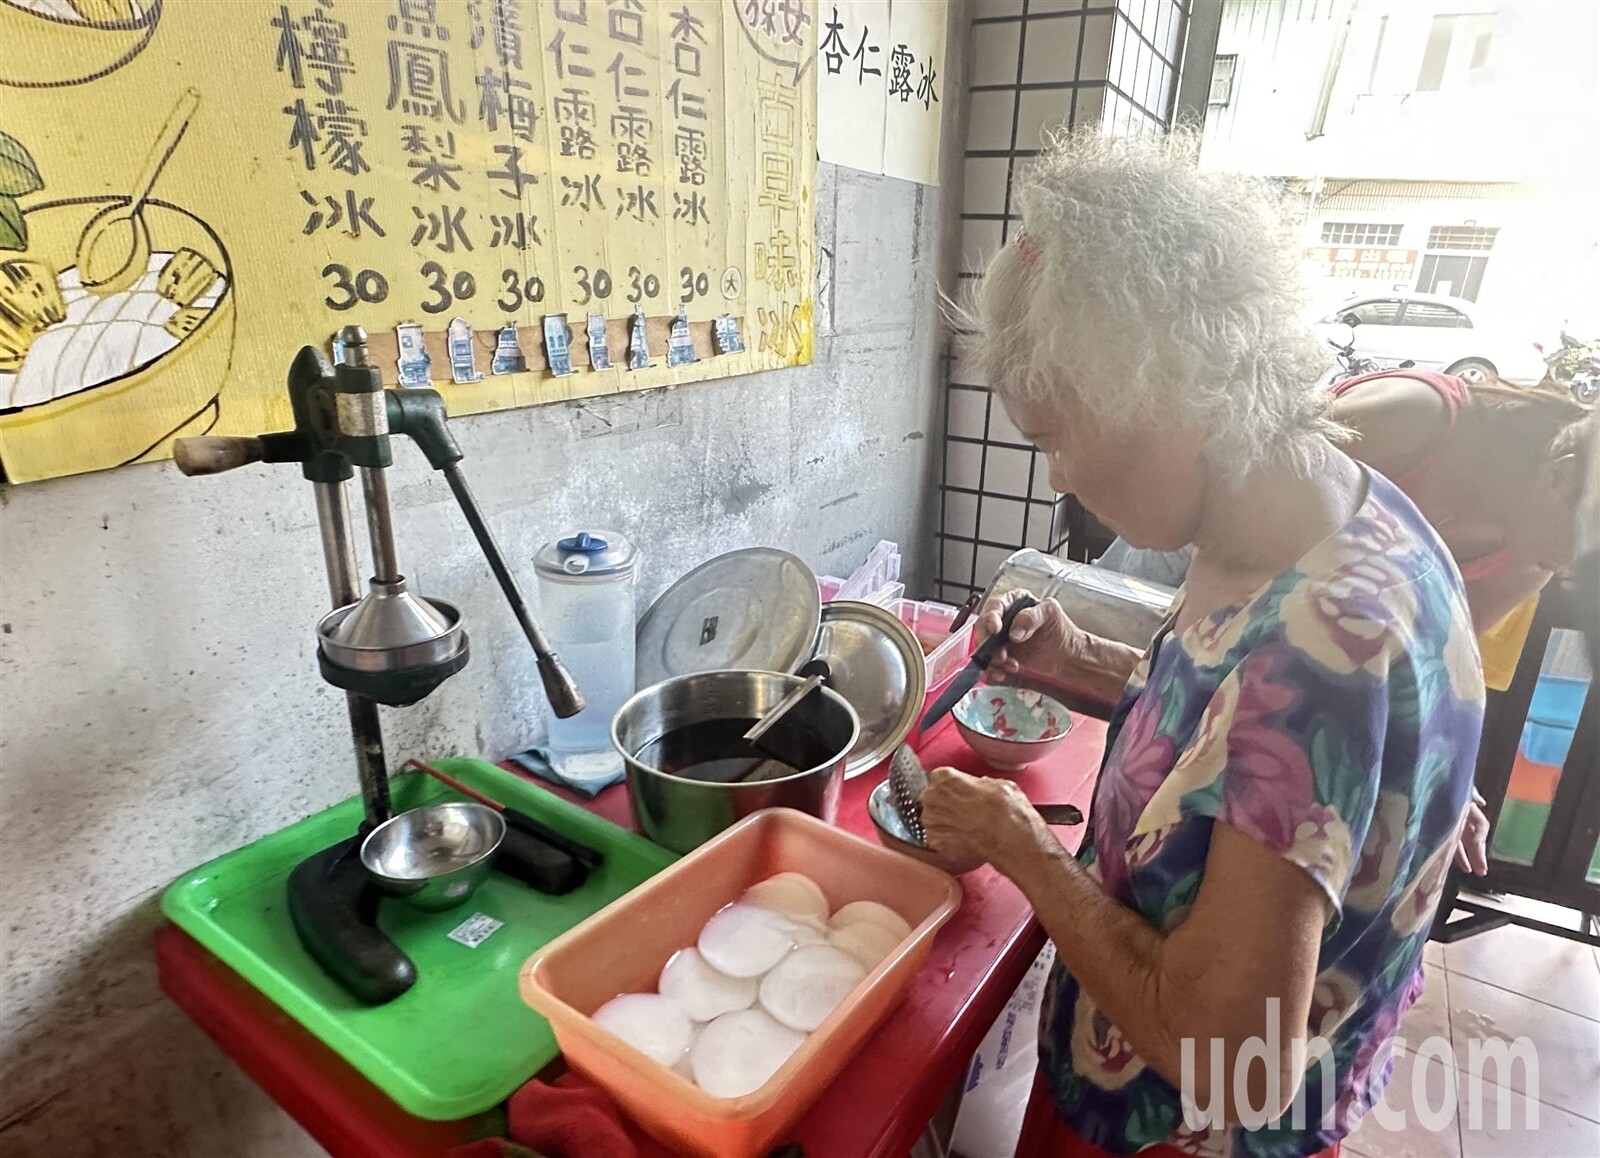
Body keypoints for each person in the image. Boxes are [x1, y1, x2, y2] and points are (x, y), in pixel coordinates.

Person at [920, 130, 1485, 1158]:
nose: (1053, 480)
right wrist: (1080, 660)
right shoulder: (1318, 512)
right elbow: (1241, 739)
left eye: (1054, 438)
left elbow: (1233, 1054)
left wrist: (1019, 844)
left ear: (1163, 398)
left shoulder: (1320, 659)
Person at [1087, 375, 1594, 874]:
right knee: (1091, 730)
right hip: (1190, 548)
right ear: (1558, 477)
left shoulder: (1533, 564)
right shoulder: (1415, 418)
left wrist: (1440, 784)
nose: (1573, 574)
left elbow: (1428, 673)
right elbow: (1231, 500)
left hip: (1273, 634)